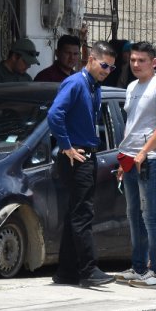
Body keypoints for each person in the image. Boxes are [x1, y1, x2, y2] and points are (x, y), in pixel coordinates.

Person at [46, 41, 119, 287]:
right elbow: (55, 114)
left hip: (87, 154)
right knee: (82, 215)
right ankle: (88, 270)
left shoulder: (94, 87)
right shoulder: (76, 83)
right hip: (77, 157)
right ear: (91, 60)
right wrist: (66, 145)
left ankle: (66, 271)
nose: (106, 70)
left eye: (110, 67)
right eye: (103, 65)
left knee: (75, 214)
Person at [114, 42, 156, 288]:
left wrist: (142, 153)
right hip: (129, 158)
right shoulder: (131, 87)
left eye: (142, 60)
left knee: (152, 216)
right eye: (133, 60)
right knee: (134, 215)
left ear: (154, 63)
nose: (136, 65)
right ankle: (138, 267)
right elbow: (132, 124)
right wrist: (125, 156)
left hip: (152, 160)